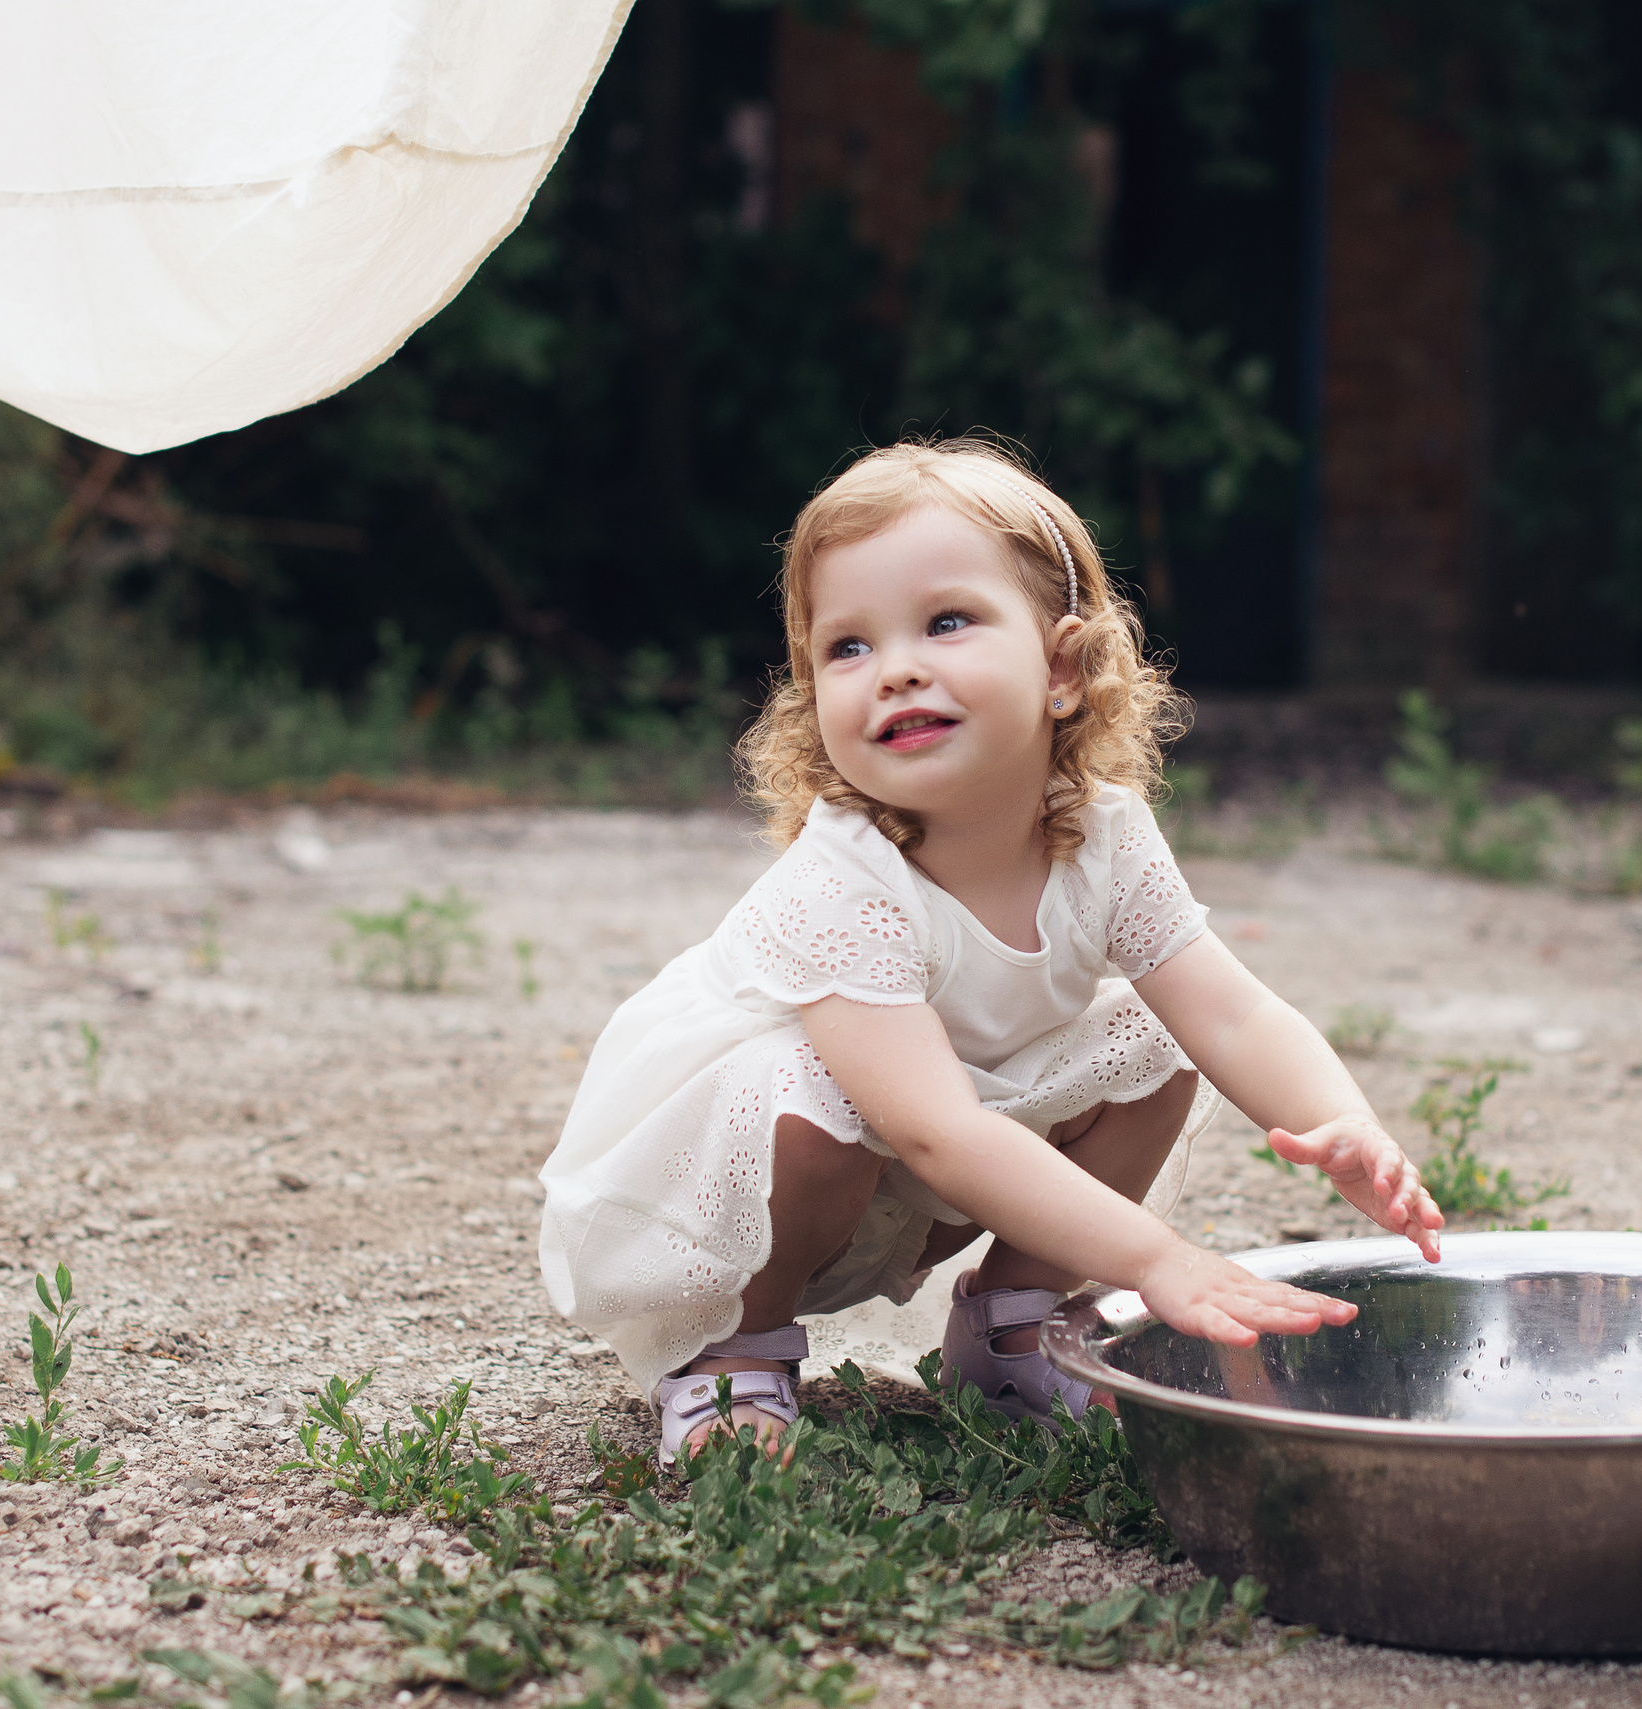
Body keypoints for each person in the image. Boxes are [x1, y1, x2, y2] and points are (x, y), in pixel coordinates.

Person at [539, 439, 1444, 1465]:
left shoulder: (1103, 830)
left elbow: (1233, 1012)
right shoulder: (844, 878)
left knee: (1154, 1033)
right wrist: (1160, 1259)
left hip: (922, 1147)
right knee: (799, 1084)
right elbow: (936, 1133)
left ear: (1063, 667)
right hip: (741, 1182)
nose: (898, 667)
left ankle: (1013, 1321)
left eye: (947, 621)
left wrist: (1343, 1124)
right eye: (845, 646)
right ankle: (736, 1351)